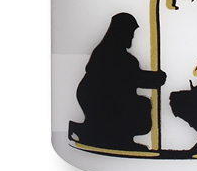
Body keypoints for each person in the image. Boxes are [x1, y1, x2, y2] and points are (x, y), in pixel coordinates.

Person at [68, 13, 166, 150]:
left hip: (101, 99)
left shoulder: (106, 52)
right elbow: (131, 77)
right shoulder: (114, 55)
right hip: (102, 102)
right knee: (141, 105)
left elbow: (131, 76)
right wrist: (155, 79)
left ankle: (113, 136)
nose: (131, 37)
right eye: (130, 33)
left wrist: (154, 78)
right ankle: (119, 139)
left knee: (139, 104)